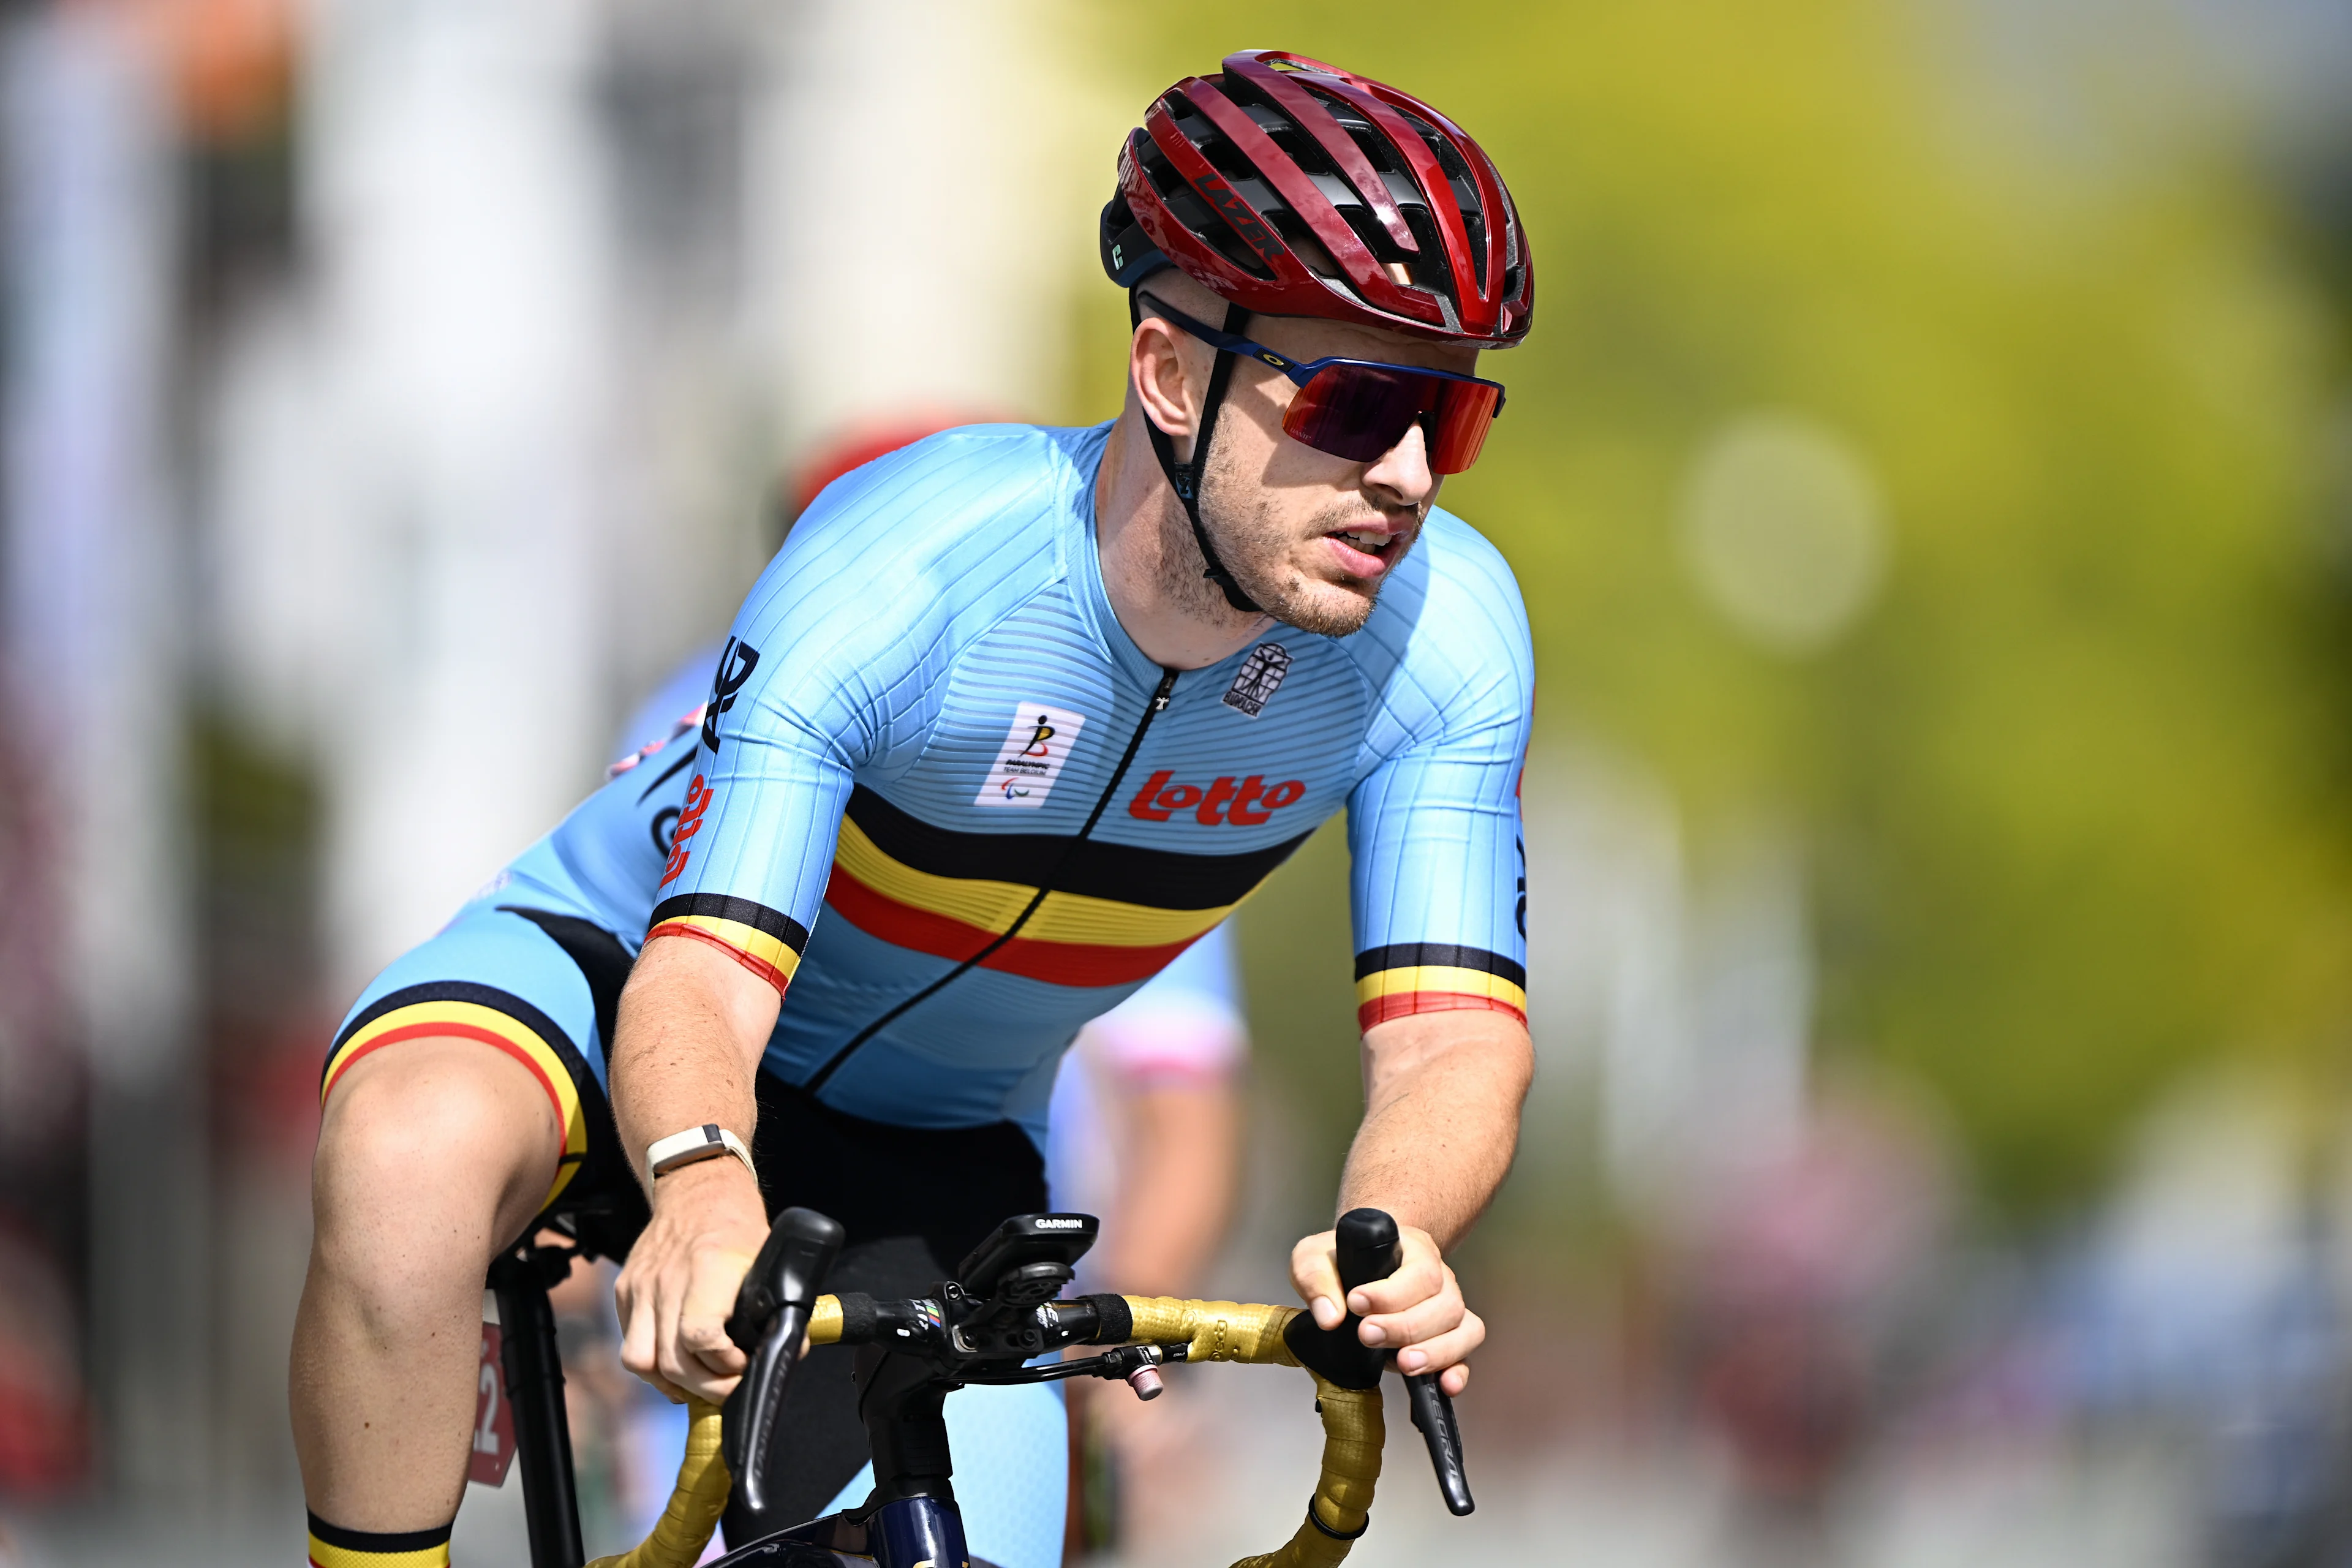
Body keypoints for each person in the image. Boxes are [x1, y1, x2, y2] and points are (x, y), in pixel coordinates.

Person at [291, 47, 1534, 1568]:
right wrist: (694, 1177)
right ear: (1166, 373)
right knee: (408, 1158)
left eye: (1451, 418)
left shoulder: (1446, 636)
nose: (1408, 475)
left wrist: (1394, 1224)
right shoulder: (915, 560)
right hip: (622, 984)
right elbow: (702, 966)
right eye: (1354, 401)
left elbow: (1448, 1037)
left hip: (930, 1138)